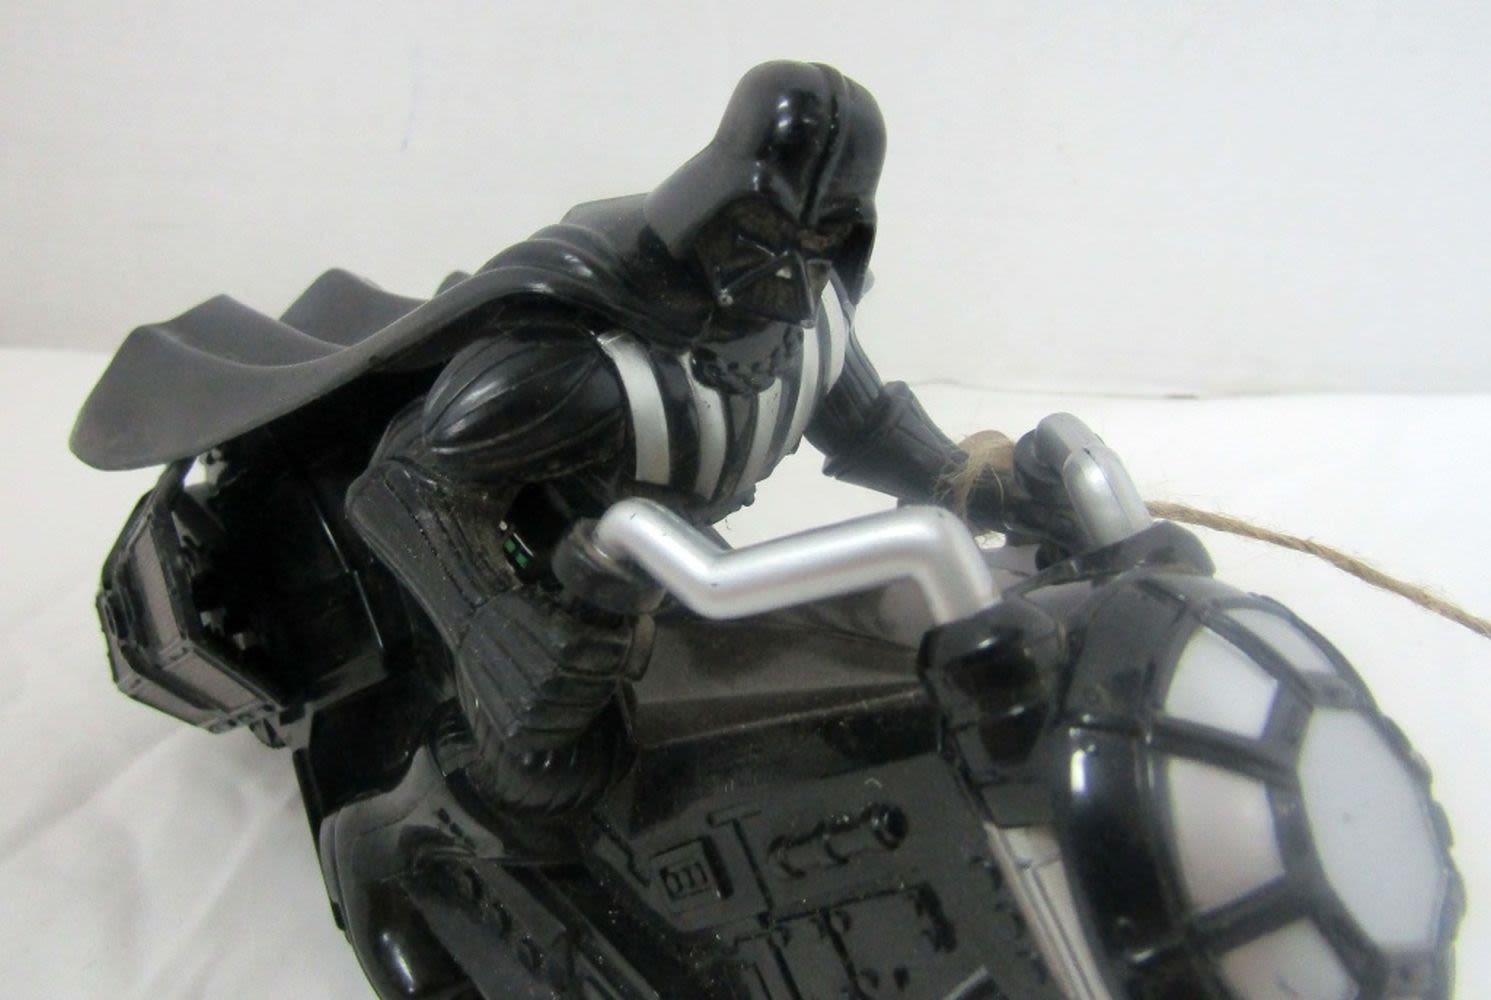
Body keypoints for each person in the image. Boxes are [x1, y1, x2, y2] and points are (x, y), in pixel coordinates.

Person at [72, 61, 1034, 813]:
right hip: (497, 579)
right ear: (713, 205)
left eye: (820, 236)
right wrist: (493, 627)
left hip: (644, 563)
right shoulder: (580, 363)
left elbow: (866, 424)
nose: (787, 266)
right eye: (758, 230)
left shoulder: (811, 322)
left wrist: (979, 482)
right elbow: (401, 485)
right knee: (554, 778)